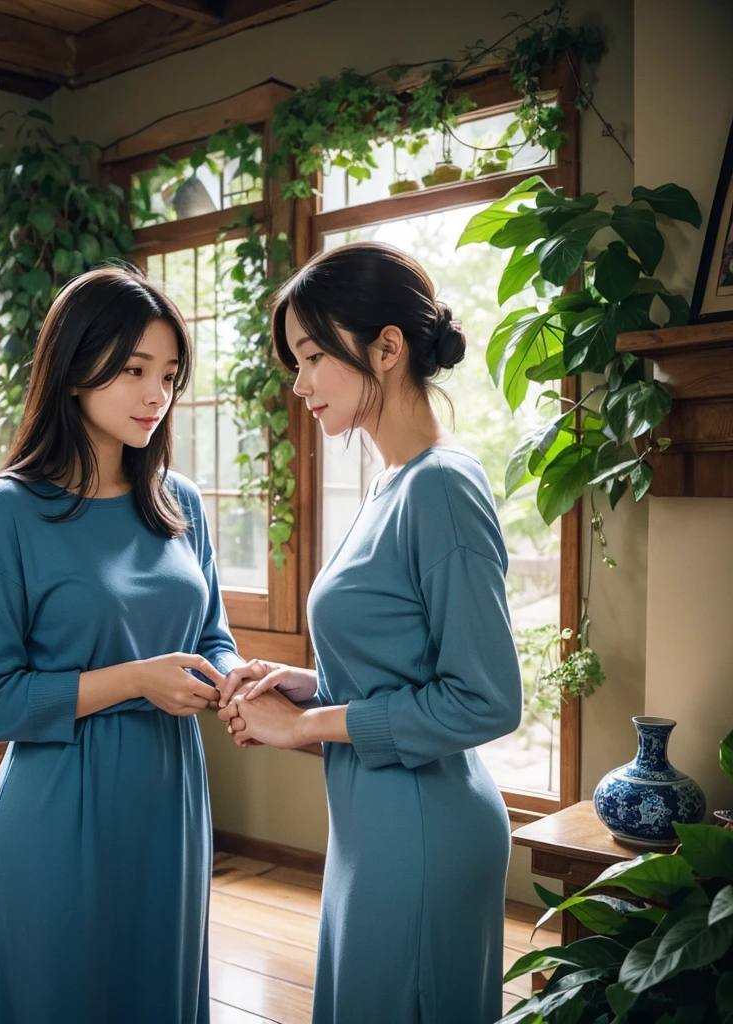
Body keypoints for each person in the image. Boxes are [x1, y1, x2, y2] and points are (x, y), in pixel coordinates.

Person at [217, 241, 523, 1024]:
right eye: (296, 359)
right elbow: (399, 672)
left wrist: (307, 724)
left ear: (387, 347)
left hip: (422, 834)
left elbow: (484, 701)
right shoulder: (391, 482)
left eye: (314, 355)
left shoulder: (443, 489)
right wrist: (303, 688)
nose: (300, 382)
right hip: (375, 827)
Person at [0, 264, 245, 1023]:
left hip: (171, 804)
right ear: (75, 369)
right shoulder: (5, 512)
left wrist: (237, 675)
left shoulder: (179, 503)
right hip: (55, 813)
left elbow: (211, 633)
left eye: (171, 375)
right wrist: (135, 680)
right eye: (133, 370)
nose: (158, 395)